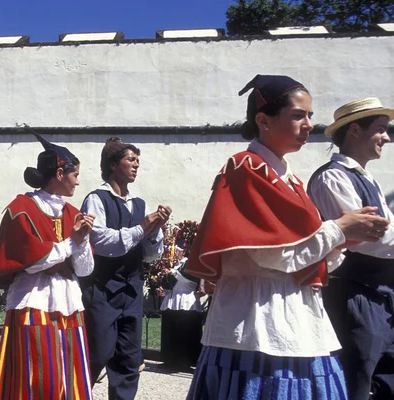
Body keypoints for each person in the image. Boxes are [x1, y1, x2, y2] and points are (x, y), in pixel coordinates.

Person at [183, 75, 390, 399]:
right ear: (263, 120)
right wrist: (338, 230)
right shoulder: (246, 168)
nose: (308, 124)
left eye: (309, 115)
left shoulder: (290, 179)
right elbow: (267, 252)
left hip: (296, 318)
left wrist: (342, 237)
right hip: (258, 321)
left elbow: (302, 252)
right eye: (297, 115)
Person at [0, 133, 95, 400]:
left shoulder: (73, 213)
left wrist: (80, 242)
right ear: (60, 173)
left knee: (71, 377)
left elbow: (85, 269)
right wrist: (72, 242)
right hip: (34, 301)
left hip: (69, 303)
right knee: (38, 377)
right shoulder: (21, 208)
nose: (78, 181)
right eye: (75, 175)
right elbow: (33, 261)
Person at [307, 97, 394, 399]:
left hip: (379, 292)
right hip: (354, 293)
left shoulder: (364, 178)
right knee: (356, 376)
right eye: (381, 129)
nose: (386, 137)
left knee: (385, 376)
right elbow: (368, 237)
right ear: (356, 130)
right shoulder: (332, 177)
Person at [79, 137, 170, 400]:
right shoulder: (97, 199)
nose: (136, 165)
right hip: (102, 290)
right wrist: (142, 228)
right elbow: (101, 242)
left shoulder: (138, 203)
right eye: (131, 159)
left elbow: (151, 256)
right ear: (112, 164)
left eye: (138, 161)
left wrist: (154, 231)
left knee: (129, 362)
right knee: (97, 353)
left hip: (131, 292)